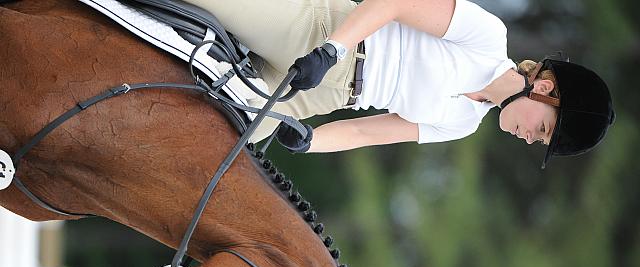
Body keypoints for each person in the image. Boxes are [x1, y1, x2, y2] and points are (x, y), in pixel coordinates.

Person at [187, 0, 614, 169]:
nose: (529, 139)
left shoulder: (462, 124)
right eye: (542, 130)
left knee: (214, 156)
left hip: (326, 94)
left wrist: (308, 142)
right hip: (322, 35)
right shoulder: (488, 38)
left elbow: (362, 131)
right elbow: (396, 3)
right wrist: (331, 50)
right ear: (544, 89)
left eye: (538, 142)